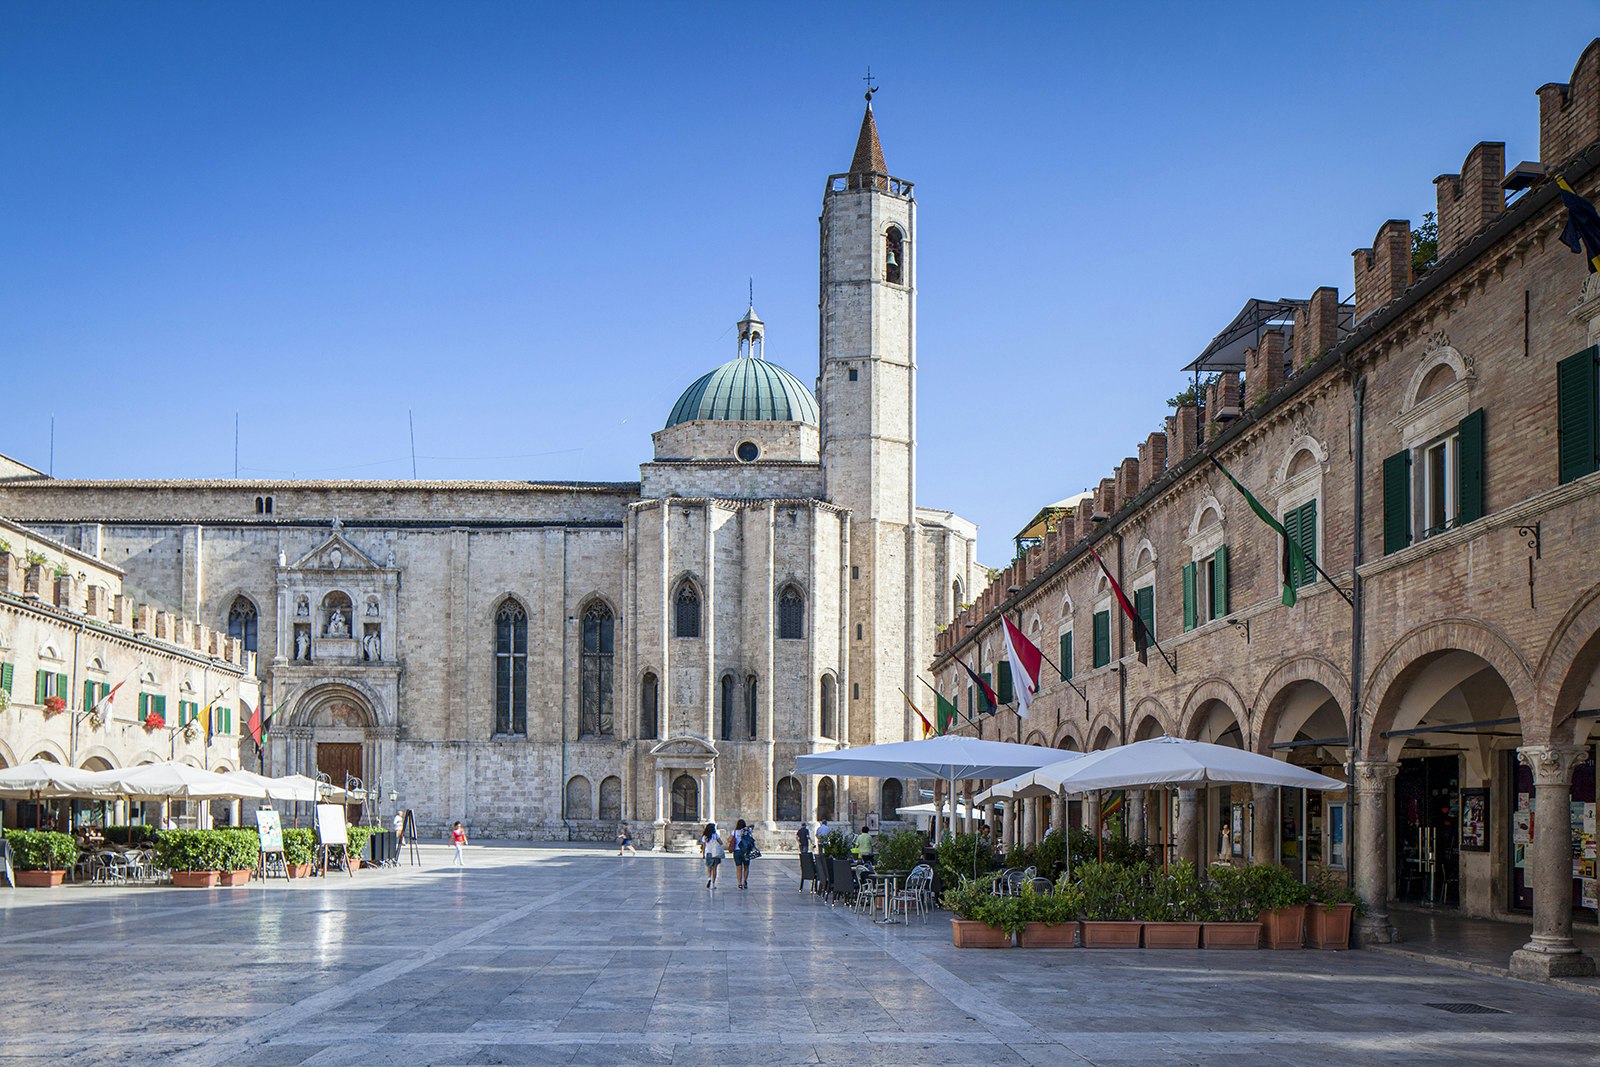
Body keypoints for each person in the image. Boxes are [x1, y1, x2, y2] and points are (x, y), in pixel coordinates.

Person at [732, 819, 757, 889]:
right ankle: (745, 881)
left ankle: (739, 883)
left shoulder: (734, 832)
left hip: (737, 851)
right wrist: (747, 827)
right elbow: (753, 826)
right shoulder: (747, 831)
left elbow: (729, 839)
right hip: (746, 851)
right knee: (746, 867)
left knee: (738, 868)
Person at [700, 822, 724, 889]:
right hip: (715, 853)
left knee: (709, 868)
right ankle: (713, 884)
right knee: (714, 869)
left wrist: (703, 854)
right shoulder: (715, 835)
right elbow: (721, 842)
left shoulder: (705, 836)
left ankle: (709, 878)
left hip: (708, 853)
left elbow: (704, 846)